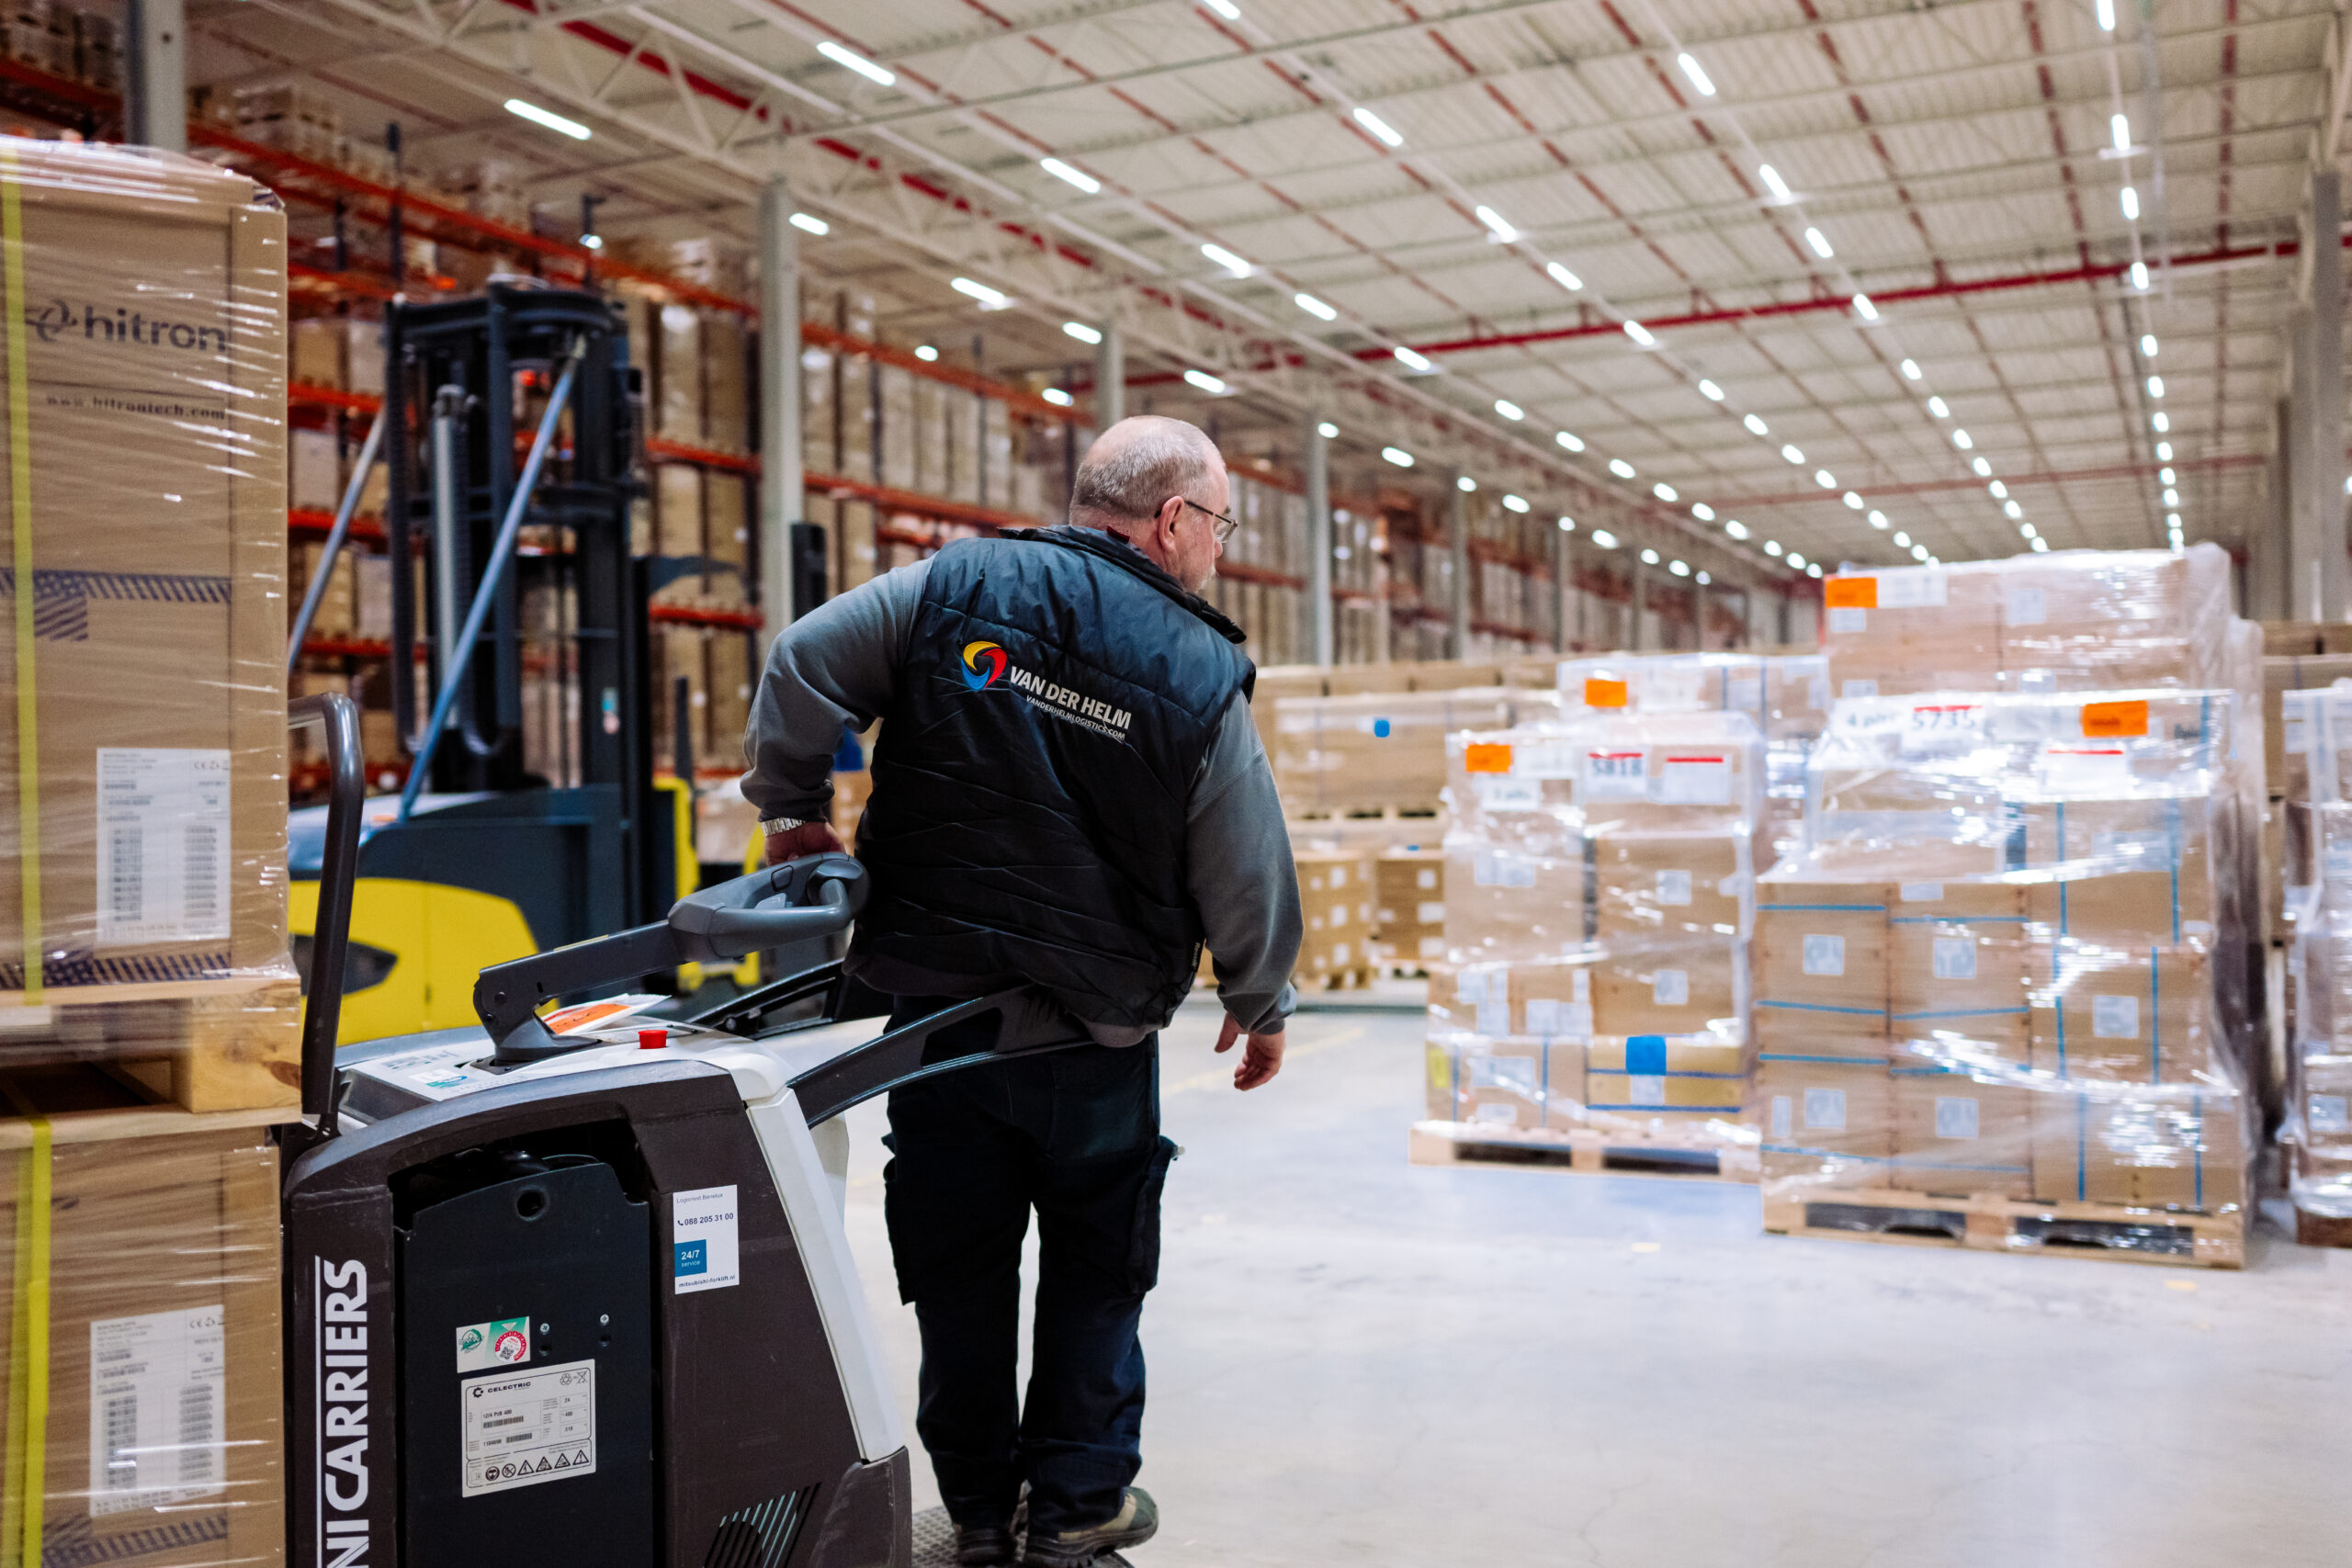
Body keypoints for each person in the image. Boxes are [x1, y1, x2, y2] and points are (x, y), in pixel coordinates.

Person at [741, 414, 1302, 1567]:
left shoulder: (948, 588)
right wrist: (1261, 998)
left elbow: (800, 659)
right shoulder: (1199, 667)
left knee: (955, 1269)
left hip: (934, 1024)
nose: (1218, 545)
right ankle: (1077, 1507)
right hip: (1090, 1038)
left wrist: (791, 809)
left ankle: (980, 1512)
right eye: (1220, 523)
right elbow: (1243, 859)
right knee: (1098, 1268)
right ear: (1172, 520)